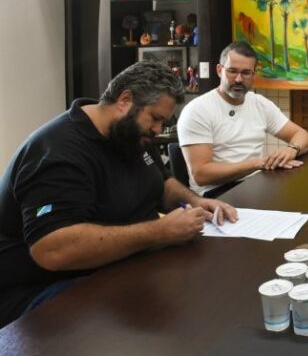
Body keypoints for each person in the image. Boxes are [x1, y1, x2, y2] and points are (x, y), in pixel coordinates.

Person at [0, 61, 238, 329]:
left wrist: (194, 200)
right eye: (155, 118)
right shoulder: (58, 152)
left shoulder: (127, 134)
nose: (158, 129)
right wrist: (160, 231)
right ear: (125, 100)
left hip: (119, 264)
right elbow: (52, 250)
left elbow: (160, 182)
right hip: (44, 288)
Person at [177, 41, 308, 197]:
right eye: (232, 71)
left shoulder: (259, 103)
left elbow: (303, 136)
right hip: (215, 193)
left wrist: (291, 150)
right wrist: (257, 163)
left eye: (246, 73)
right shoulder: (197, 110)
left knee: (302, 195)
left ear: (253, 74)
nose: (239, 79)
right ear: (219, 70)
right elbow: (201, 175)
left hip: (254, 183)